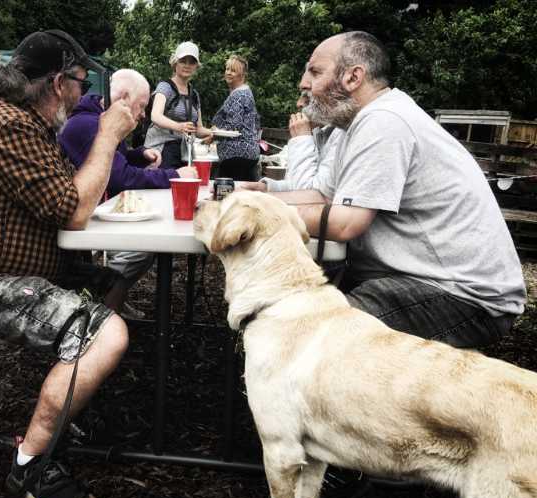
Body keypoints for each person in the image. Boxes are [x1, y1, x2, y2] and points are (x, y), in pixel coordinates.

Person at [0, 30, 136, 498]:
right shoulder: (8, 124)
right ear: (58, 83)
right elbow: (74, 209)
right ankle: (31, 462)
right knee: (108, 333)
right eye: (81, 82)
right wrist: (107, 135)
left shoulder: (20, 122)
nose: (84, 95)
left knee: (111, 281)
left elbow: (66, 199)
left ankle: (72, 392)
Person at [261, 31, 526, 348]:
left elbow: (346, 222)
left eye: (315, 71)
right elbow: (322, 197)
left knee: (313, 337)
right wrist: (250, 197)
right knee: (298, 312)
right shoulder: (355, 122)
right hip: (414, 279)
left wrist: (259, 213)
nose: (304, 83)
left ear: (353, 77)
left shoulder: (385, 120)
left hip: (463, 294)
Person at [59, 69, 198, 317]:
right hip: (77, 222)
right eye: (142, 105)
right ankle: (105, 309)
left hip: (92, 213)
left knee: (147, 246)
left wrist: (137, 154)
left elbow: (117, 162)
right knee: (141, 249)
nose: (143, 114)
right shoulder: (88, 124)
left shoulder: (98, 119)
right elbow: (120, 177)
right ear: (123, 97)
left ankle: (114, 299)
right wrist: (175, 175)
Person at [256, 93, 344, 193]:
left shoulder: (342, 134)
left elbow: (308, 195)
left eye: (307, 96)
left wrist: (302, 139)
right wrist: (266, 187)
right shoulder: (318, 132)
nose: (299, 104)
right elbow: (301, 183)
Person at [144, 41, 213, 168]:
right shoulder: (165, 87)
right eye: (183, 61)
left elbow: (198, 129)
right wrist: (179, 126)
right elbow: (155, 116)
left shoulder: (194, 94)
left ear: (196, 66)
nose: (187, 65)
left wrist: (214, 132)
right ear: (175, 63)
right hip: (162, 149)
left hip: (184, 152)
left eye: (191, 62)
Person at [211, 55, 261, 181]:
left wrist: (213, 133)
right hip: (246, 154)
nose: (228, 72)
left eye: (233, 70)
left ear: (242, 74)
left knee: (229, 193)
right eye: (227, 69)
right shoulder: (244, 92)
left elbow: (234, 126)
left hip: (237, 156)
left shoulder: (239, 95)